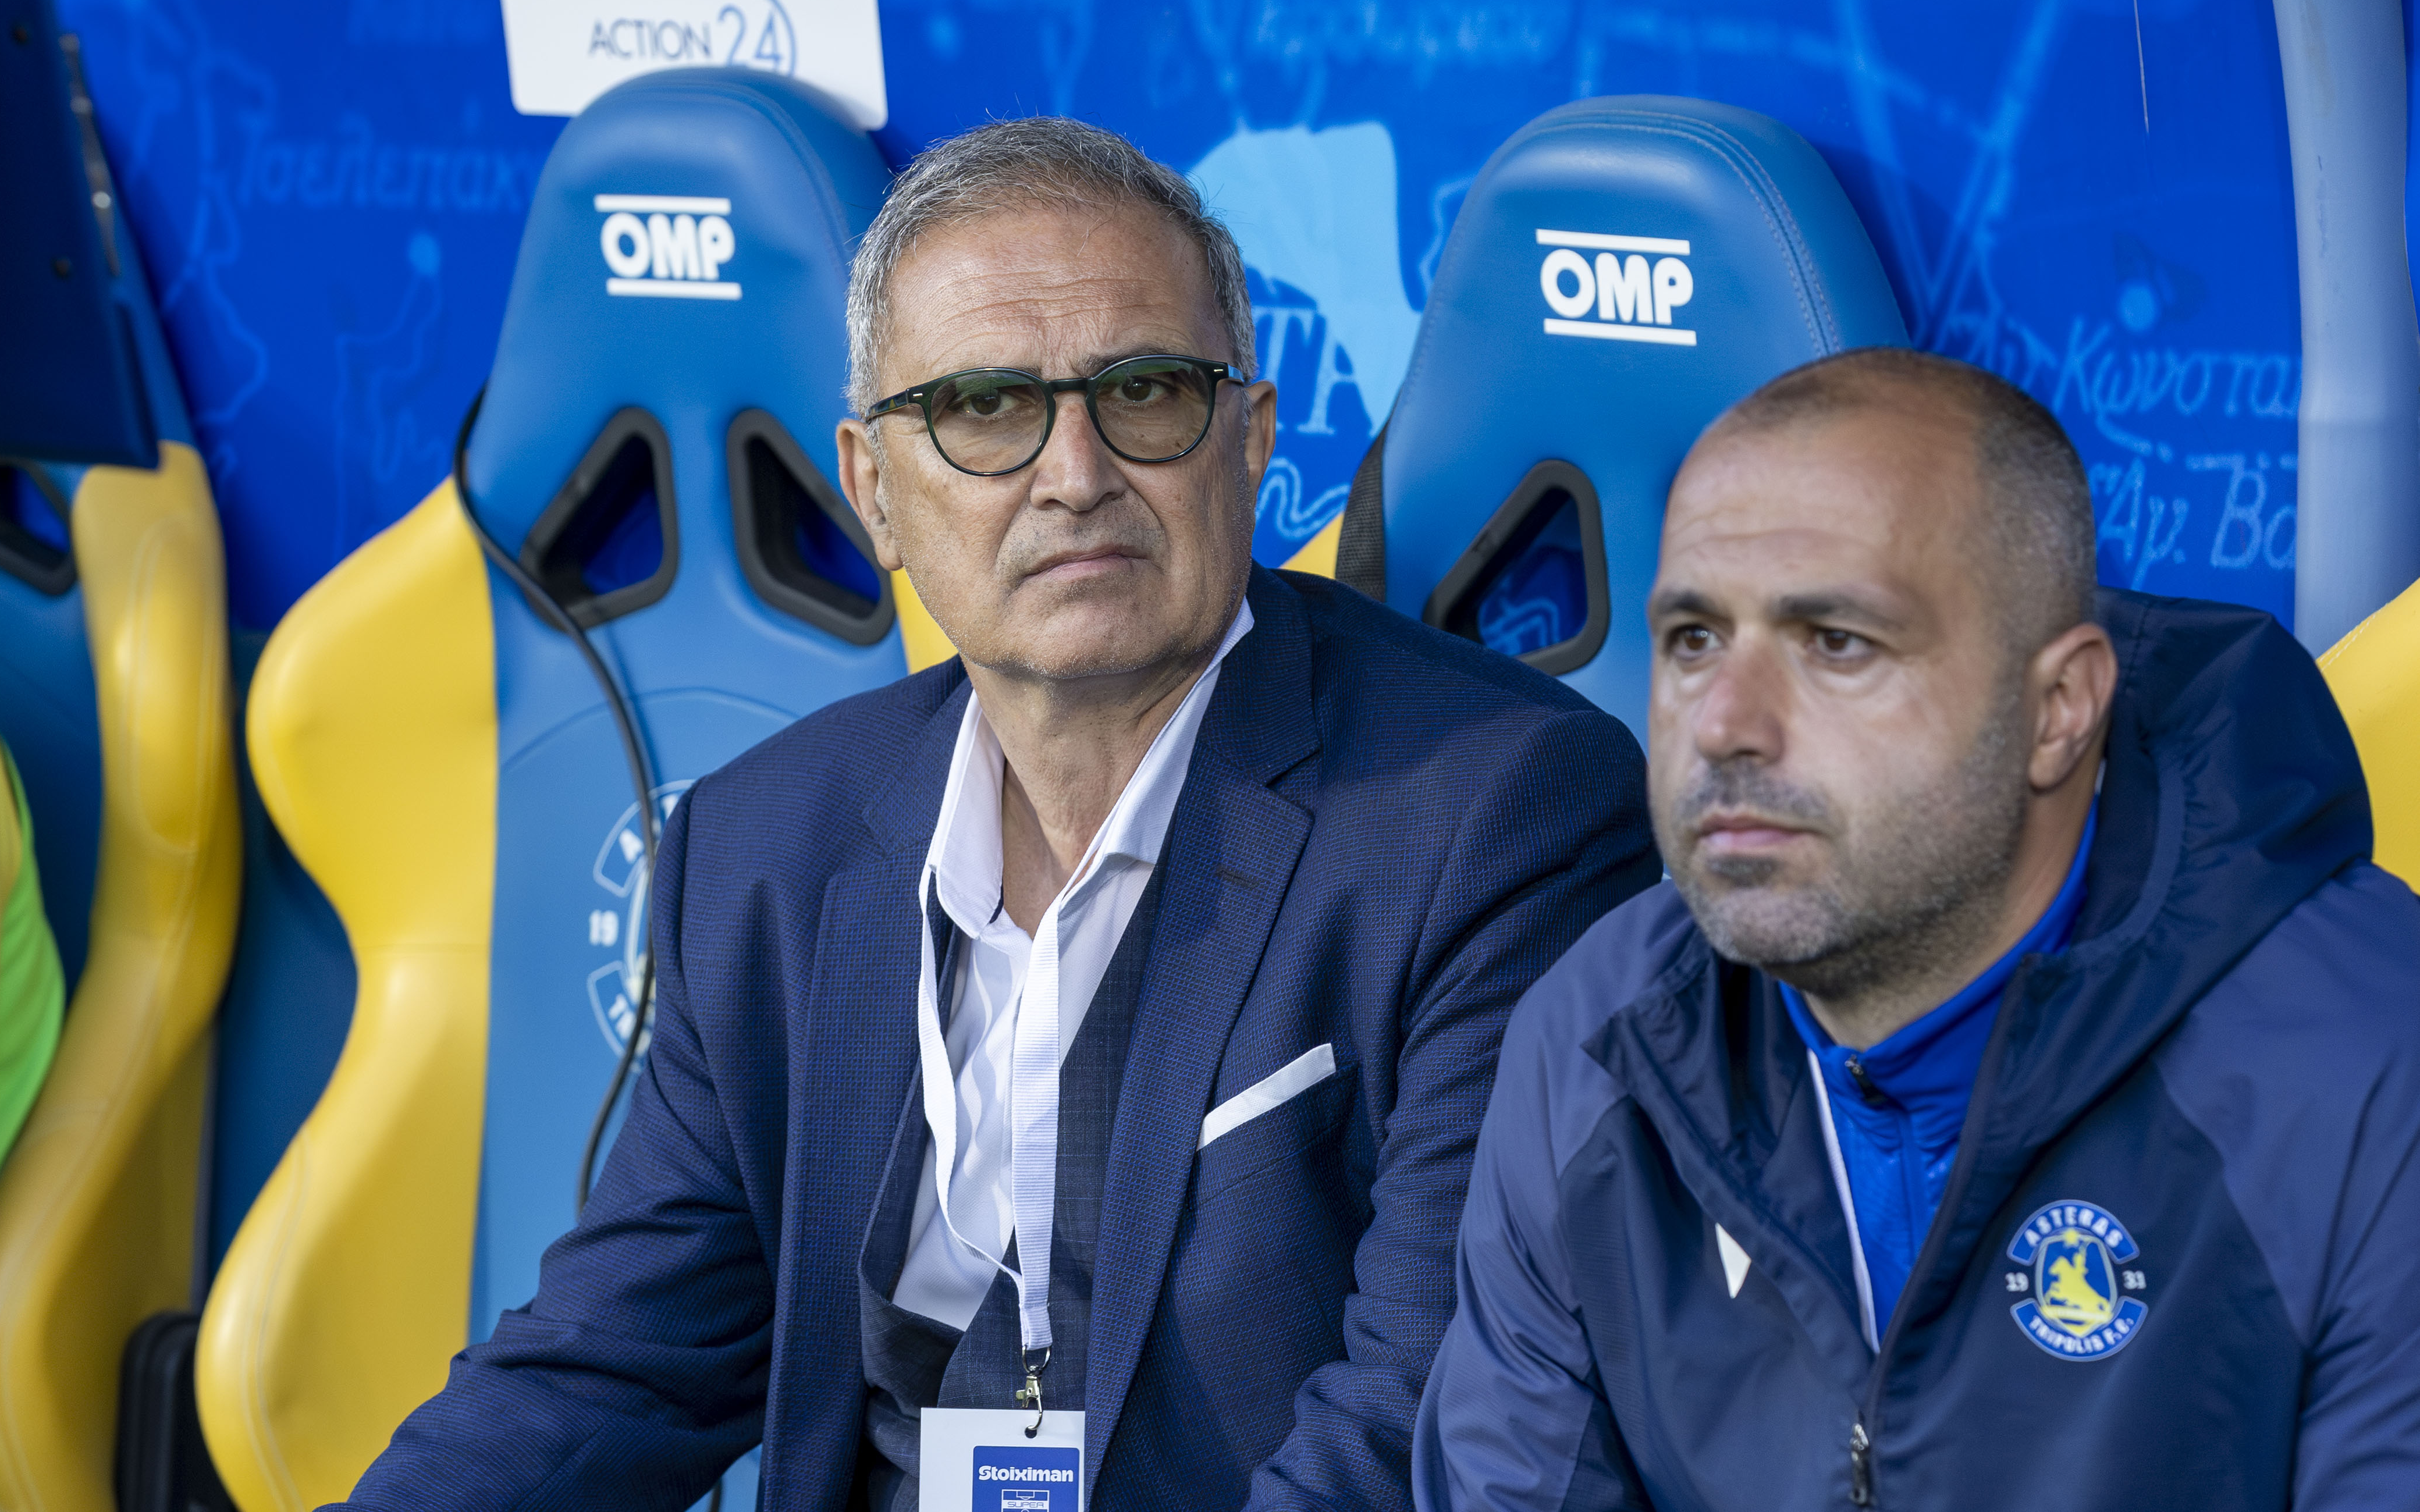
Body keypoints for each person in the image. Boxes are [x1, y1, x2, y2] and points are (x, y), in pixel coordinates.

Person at [340, 118, 1656, 1510]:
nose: (1074, 473)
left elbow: (1427, 1417)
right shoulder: (761, 850)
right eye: (982, 407)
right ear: (872, 490)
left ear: (1248, 439)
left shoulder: (1498, 817)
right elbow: (610, 1368)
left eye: (1142, 391)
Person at [1415, 347, 2420, 1509]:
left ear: (2056, 710)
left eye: (1835, 642)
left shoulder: (2365, 1067)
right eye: (1692, 638)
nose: (1726, 722)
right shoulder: (1594, 1030)